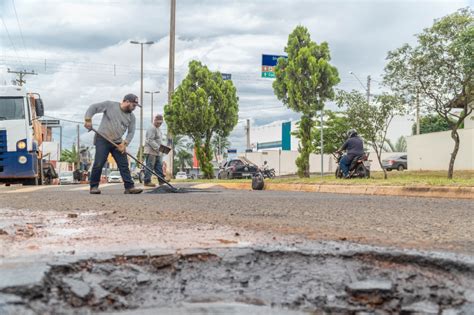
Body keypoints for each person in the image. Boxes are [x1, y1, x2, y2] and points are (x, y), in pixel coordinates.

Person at [84, 94, 143, 194]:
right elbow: (93, 108)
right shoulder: (110, 105)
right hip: (102, 138)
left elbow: (131, 132)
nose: (134, 108)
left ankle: (129, 187)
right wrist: (88, 120)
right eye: (133, 105)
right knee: (99, 163)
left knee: (123, 165)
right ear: (127, 102)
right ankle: (94, 186)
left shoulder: (131, 117)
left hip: (118, 142)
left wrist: (124, 144)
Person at [143, 114, 165, 187]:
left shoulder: (158, 129)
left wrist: (162, 148)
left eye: (160, 123)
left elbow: (158, 140)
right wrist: (158, 148)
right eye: (158, 123)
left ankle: (161, 180)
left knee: (158, 166)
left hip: (157, 151)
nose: (159, 124)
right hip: (151, 151)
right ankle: (147, 181)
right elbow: (150, 140)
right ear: (154, 120)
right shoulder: (152, 128)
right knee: (150, 166)